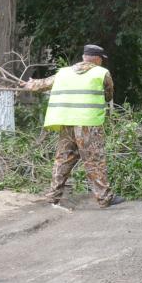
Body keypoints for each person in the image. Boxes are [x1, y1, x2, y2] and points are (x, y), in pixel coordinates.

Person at [22, 43, 123, 208]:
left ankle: (53, 196)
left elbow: (43, 84)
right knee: (94, 160)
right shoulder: (101, 73)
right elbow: (108, 95)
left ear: (84, 57)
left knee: (63, 159)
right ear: (97, 59)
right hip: (88, 124)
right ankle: (104, 198)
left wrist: (28, 84)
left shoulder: (64, 72)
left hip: (66, 122)